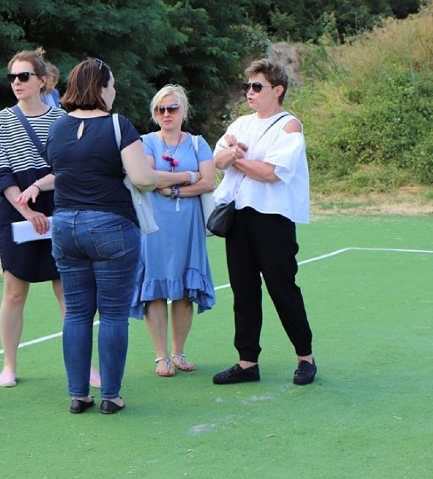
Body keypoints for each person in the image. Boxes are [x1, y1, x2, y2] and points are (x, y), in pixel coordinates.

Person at [46, 57, 159, 415]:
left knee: (76, 314)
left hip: (64, 225)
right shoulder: (118, 125)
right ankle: (111, 395)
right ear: (100, 88)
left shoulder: (57, 128)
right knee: (112, 315)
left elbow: (60, 171)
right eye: (111, 85)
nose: (114, 91)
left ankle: (78, 394)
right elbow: (142, 178)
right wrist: (179, 177)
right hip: (111, 225)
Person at [0, 49, 99, 389]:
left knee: (68, 291)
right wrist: (27, 209)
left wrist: (39, 190)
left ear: (42, 81)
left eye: (24, 77)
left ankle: (84, 367)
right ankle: (9, 364)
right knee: (14, 292)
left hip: (58, 205)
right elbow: (1, 173)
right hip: (17, 208)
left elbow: (66, 170)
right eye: (12, 78)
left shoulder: (62, 120)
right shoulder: (1, 120)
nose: (17, 83)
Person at [210, 58, 317, 386]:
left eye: (257, 87)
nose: (250, 93)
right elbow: (217, 160)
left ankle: (305, 358)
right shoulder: (241, 124)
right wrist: (235, 158)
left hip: (273, 220)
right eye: (248, 87)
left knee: (282, 288)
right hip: (239, 217)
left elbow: (271, 173)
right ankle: (246, 362)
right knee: (243, 290)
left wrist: (236, 158)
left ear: (278, 90)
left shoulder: (289, 126)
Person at [131, 85, 216, 377]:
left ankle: (179, 352)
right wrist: (189, 175)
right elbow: (149, 177)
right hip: (154, 225)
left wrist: (176, 188)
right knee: (154, 288)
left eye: (172, 108)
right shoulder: (145, 142)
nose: (166, 114)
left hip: (188, 224)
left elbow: (209, 182)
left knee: (183, 290)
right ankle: (161, 357)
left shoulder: (198, 143)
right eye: (160, 109)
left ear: (184, 111)